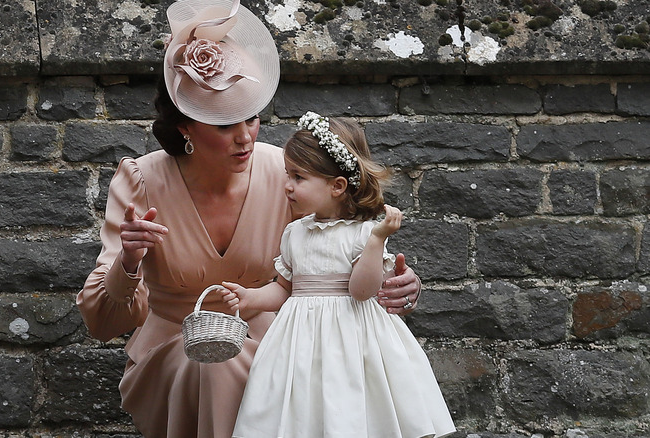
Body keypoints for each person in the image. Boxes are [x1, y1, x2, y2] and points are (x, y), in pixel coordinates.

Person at [76, 0, 424, 436]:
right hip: (175, 349)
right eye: (225, 126)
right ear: (186, 125)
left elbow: (345, 245)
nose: (244, 137)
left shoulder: (288, 175)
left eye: (252, 119)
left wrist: (399, 285)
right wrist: (128, 262)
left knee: (258, 371)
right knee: (213, 366)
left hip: (281, 344)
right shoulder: (141, 181)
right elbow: (101, 322)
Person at [220, 112, 456, 438]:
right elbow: (285, 289)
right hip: (298, 343)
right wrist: (252, 297)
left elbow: (362, 291)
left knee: (349, 407)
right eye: (288, 174)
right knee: (303, 410)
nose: (287, 185)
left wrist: (377, 240)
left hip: (353, 340)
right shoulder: (294, 233)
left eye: (299, 177)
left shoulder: (363, 234)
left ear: (337, 186)